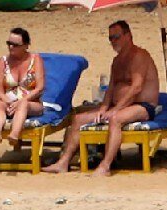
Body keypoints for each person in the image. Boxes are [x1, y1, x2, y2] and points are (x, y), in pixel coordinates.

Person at [43, 20, 159, 177]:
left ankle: (105, 166)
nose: (113, 42)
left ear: (128, 35)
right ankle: (63, 162)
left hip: (142, 106)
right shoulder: (117, 61)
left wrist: (115, 109)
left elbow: (136, 88)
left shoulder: (140, 56)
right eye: (110, 38)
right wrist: (104, 108)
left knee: (116, 119)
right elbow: (110, 88)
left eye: (116, 37)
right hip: (119, 105)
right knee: (78, 119)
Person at [0, 27, 46, 145]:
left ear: (26, 46)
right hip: (9, 103)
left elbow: (40, 88)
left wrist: (22, 101)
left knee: (23, 104)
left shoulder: (35, 59)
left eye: (15, 44)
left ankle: (14, 135)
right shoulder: (3, 61)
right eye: (9, 43)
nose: (11, 47)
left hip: (31, 103)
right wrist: (8, 102)